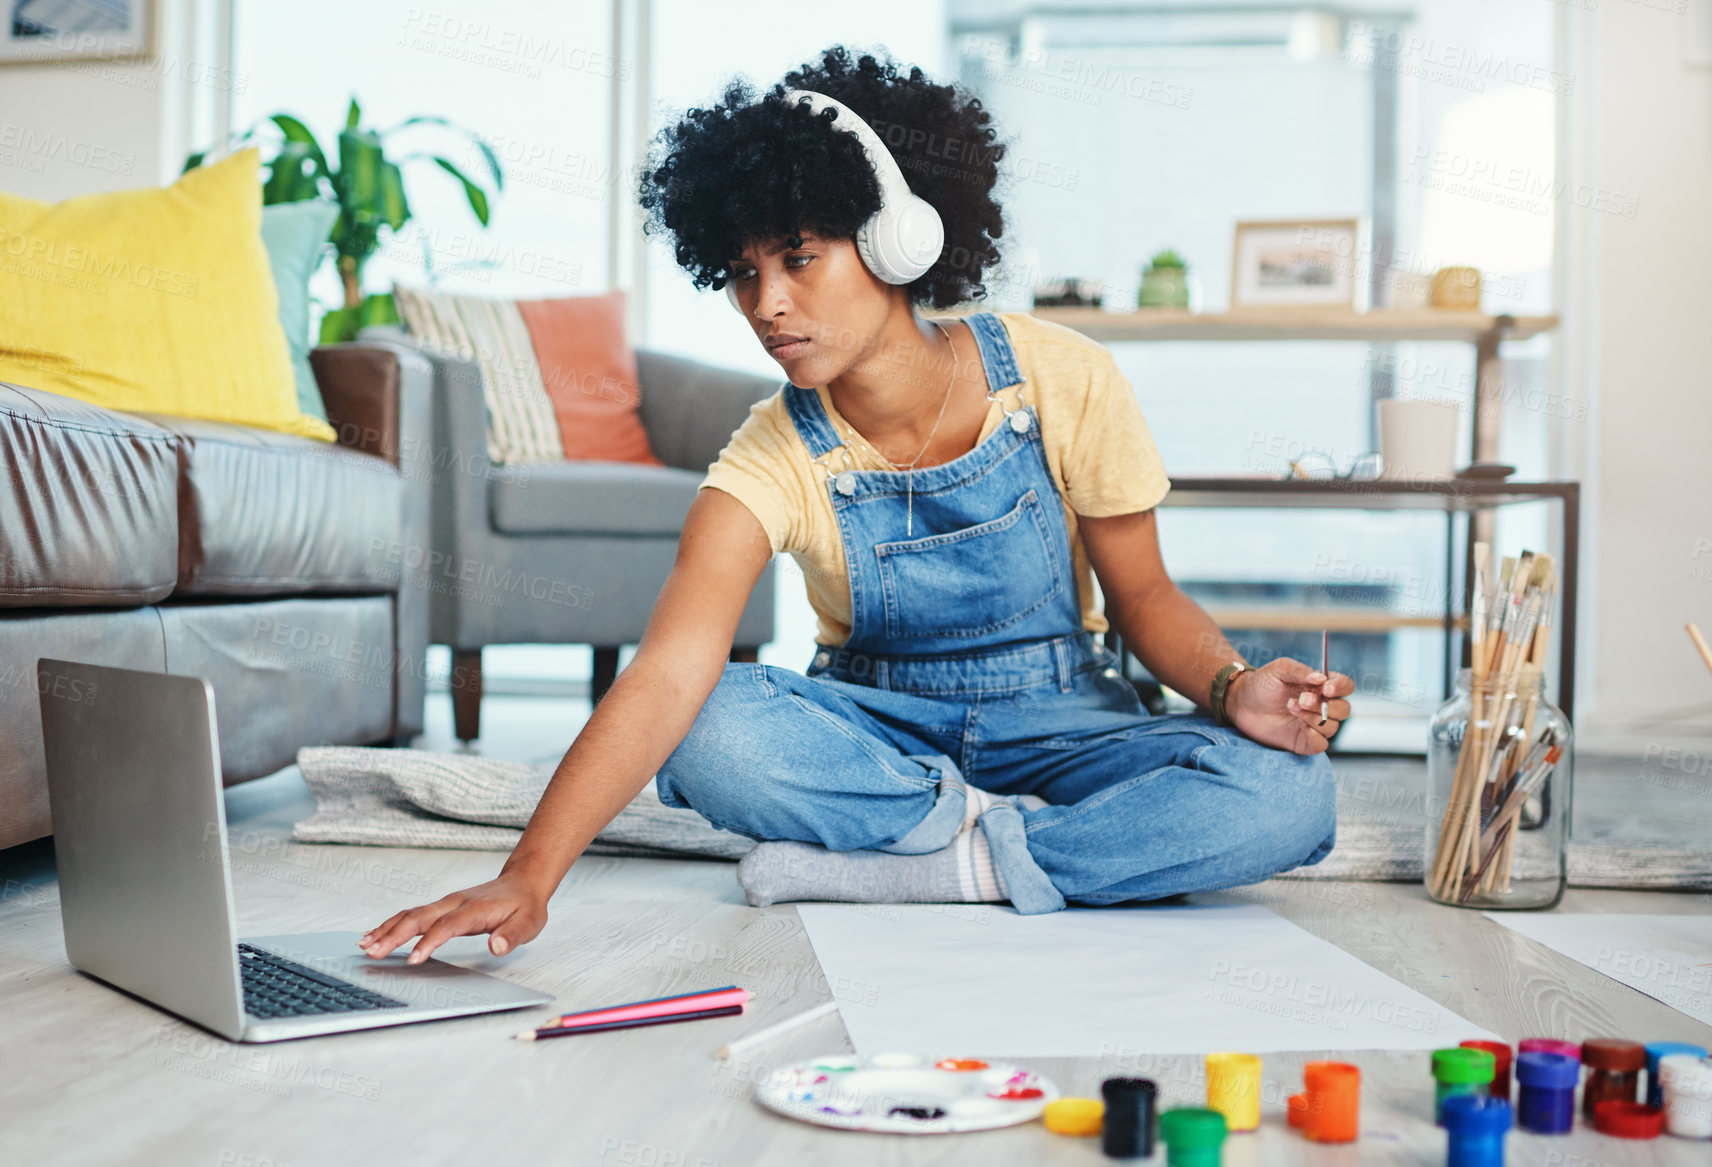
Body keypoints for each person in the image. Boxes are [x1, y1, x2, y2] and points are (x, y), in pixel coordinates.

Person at [360, 45, 1351, 964]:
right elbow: (666, 676)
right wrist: (527, 877)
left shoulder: (1061, 378)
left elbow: (1144, 599)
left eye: (797, 257)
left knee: (1287, 795)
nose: (765, 304)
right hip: (880, 738)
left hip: (1063, 721)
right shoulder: (768, 455)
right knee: (709, 724)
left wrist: (1229, 690)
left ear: (895, 237)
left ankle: (943, 869)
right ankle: (1016, 850)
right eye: (742, 272)